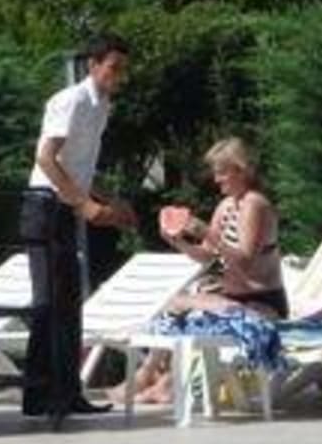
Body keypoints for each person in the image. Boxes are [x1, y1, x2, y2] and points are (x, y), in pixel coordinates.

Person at [108, 137, 287, 404]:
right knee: (172, 306)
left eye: (221, 171)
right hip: (230, 300)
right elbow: (207, 257)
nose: (216, 179)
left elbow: (246, 260)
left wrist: (207, 233)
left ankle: (166, 384)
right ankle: (150, 375)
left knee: (195, 306)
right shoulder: (226, 206)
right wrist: (178, 241)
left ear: (240, 170)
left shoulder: (255, 204)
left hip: (261, 302)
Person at [22, 33, 137, 418]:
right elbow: (46, 159)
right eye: (112, 69)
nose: (118, 77)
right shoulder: (70, 101)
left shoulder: (102, 106)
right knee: (50, 302)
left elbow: (80, 167)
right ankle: (41, 394)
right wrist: (85, 205)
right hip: (44, 208)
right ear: (94, 65)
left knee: (68, 303)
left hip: (65, 207)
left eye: (123, 71)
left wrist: (105, 199)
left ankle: (66, 393)